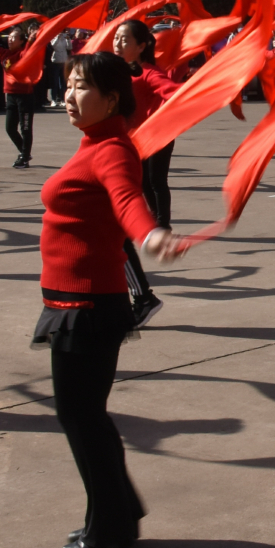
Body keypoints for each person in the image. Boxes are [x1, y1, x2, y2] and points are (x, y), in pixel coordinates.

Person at [36, 50, 177, 548]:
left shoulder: (113, 149)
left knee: (81, 417)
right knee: (85, 417)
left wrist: (149, 234)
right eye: (69, 84)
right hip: (75, 299)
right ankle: (116, 516)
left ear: (112, 98)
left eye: (80, 87)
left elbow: (127, 200)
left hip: (89, 304)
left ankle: (108, 527)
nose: (69, 96)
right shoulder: (93, 142)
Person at [111, 19, 171, 327]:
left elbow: (173, 91)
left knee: (155, 183)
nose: (118, 44)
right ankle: (138, 295)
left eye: (124, 39)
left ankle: (142, 296)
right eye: (116, 38)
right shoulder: (115, 70)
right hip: (113, 150)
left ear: (142, 45)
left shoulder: (148, 72)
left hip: (144, 143)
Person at [0, 23, 41, 167]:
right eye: (10, 37)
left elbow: (27, 52)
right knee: (10, 128)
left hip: (24, 96)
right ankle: (24, 152)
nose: (10, 40)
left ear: (21, 41)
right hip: (11, 96)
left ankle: (24, 157)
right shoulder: (5, 54)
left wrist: (31, 40)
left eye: (14, 38)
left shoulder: (22, 54)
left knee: (25, 128)